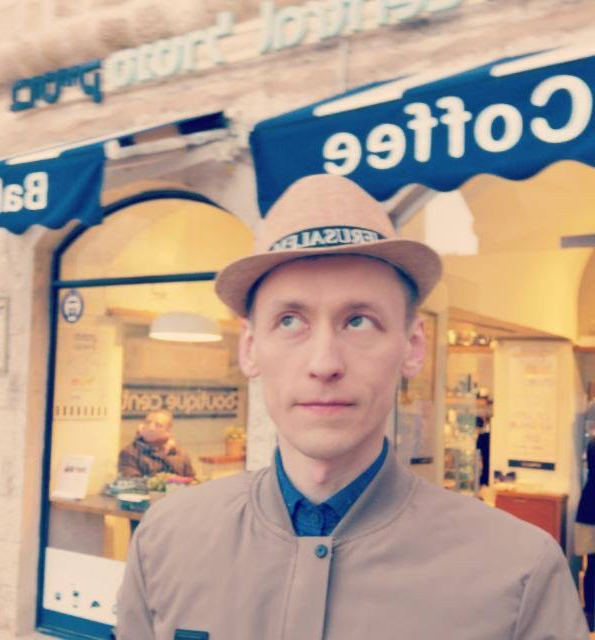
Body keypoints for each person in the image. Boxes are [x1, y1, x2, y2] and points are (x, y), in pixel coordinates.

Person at [116, 174, 588, 639]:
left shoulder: (519, 575)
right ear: (250, 348)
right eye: (290, 321)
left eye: (358, 321)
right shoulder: (165, 538)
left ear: (413, 347)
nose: (324, 364)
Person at [118, 409, 194, 478]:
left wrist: (167, 453)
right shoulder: (130, 452)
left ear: (168, 431)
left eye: (158, 425)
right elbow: (132, 481)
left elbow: (191, 481)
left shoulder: (179, 454)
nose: (151, 428)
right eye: (148, 423)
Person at [576, 401, 595, 630]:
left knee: (592, 565)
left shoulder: (591, 444)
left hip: (588, 508)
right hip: (590, 510)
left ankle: (589, 614)